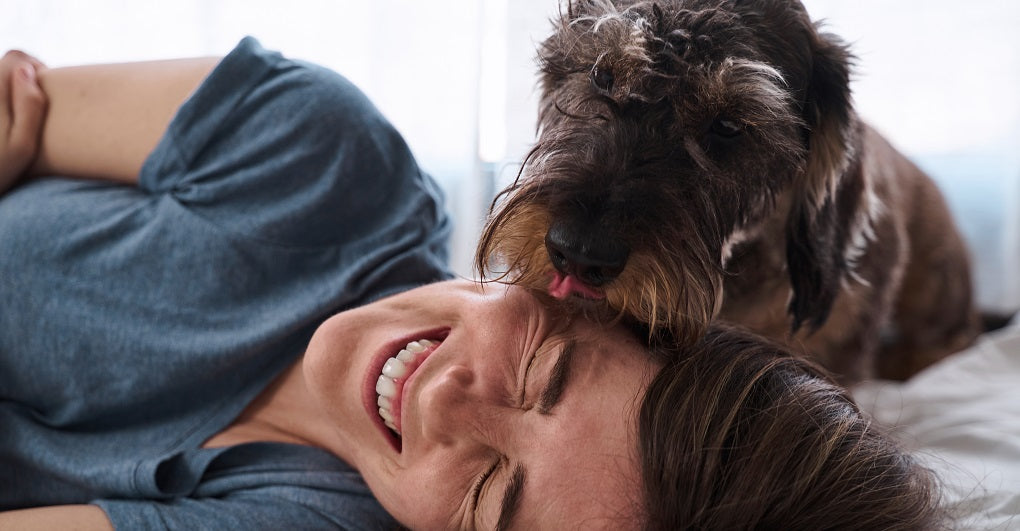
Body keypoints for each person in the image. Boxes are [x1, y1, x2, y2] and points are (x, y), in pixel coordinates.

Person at [0, 38, 945, 530]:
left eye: (493, 495)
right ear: (578, 289)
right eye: (544, 369)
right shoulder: (315, 147)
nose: (450, 398)